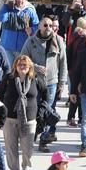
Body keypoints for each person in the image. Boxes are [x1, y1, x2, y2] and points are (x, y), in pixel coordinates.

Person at [20, 15, 68, 150]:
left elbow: (63, 63)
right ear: (39, 26)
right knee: (34, 110)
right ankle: (31, 136)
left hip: (51, 82)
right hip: (34, 82)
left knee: (47, 111)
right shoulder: (31, 42)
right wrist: (35, 67)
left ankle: (43, 139)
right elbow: (22, 60)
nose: (48, 28)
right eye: (45, 25)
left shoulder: (58, 41)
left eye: (50, 26)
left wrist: (62, 83)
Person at [0, 54, 47, 170]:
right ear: (15, 66)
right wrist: (0, 113)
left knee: (27, 147)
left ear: (29, 66)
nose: (22, 67)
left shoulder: (35, 79)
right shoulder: (9, 78)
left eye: (24, 65)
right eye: (19, 64)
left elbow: (46, 94)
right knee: (11, 147)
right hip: (10, 118)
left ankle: (26, 166)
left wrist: (41, 110)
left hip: (29, 119)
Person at [0, 0, 39, 64]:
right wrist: (6, 5)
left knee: (20, 72)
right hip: (7, 46)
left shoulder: (30, 10)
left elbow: (36, 25)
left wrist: (32, 30)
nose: (20, 0)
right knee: (8, 72)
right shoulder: (9, 7)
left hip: (22, 47)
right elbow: (1, 18)